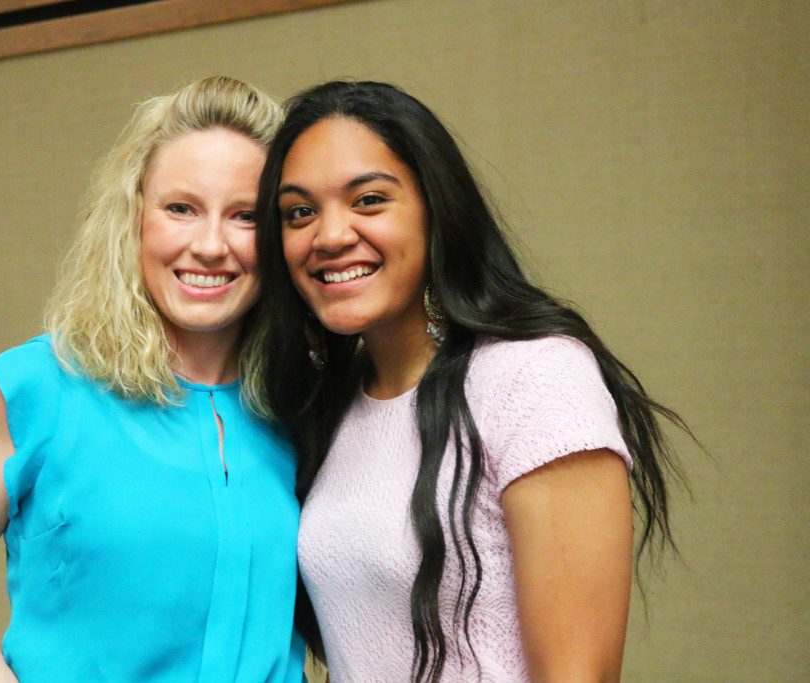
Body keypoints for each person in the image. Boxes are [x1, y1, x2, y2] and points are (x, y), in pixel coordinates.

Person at [254, 81, 688, 682]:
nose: (329, 235)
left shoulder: (532, 377)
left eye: (370, 200)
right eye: (299, 212)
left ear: (436, 210)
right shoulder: (330, 402)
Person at [0, 76, 307, 682]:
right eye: (181, 208)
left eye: (245, 215)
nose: (211, 244)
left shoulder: (300, 403)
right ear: (134, 215)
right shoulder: (31, 388)